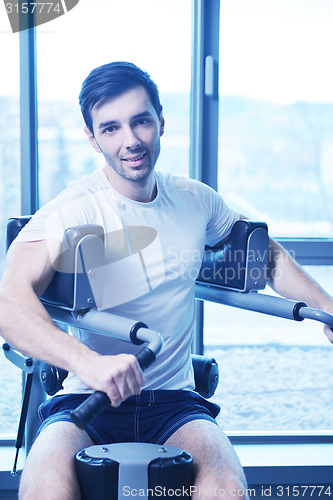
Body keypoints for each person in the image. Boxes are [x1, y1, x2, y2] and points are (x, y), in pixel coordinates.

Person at [0, 61, 333, 500]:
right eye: (111, 128)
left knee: (228, 487)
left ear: (161, 120)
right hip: (88, 397)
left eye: (141, 121)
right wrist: (88, 363)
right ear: (92, 138)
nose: (131, 141)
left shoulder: (195, 200)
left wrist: (326, 306)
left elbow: (265, 258)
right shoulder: (75, 208)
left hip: (174, 402)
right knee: (45, 487)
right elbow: (8, 303)